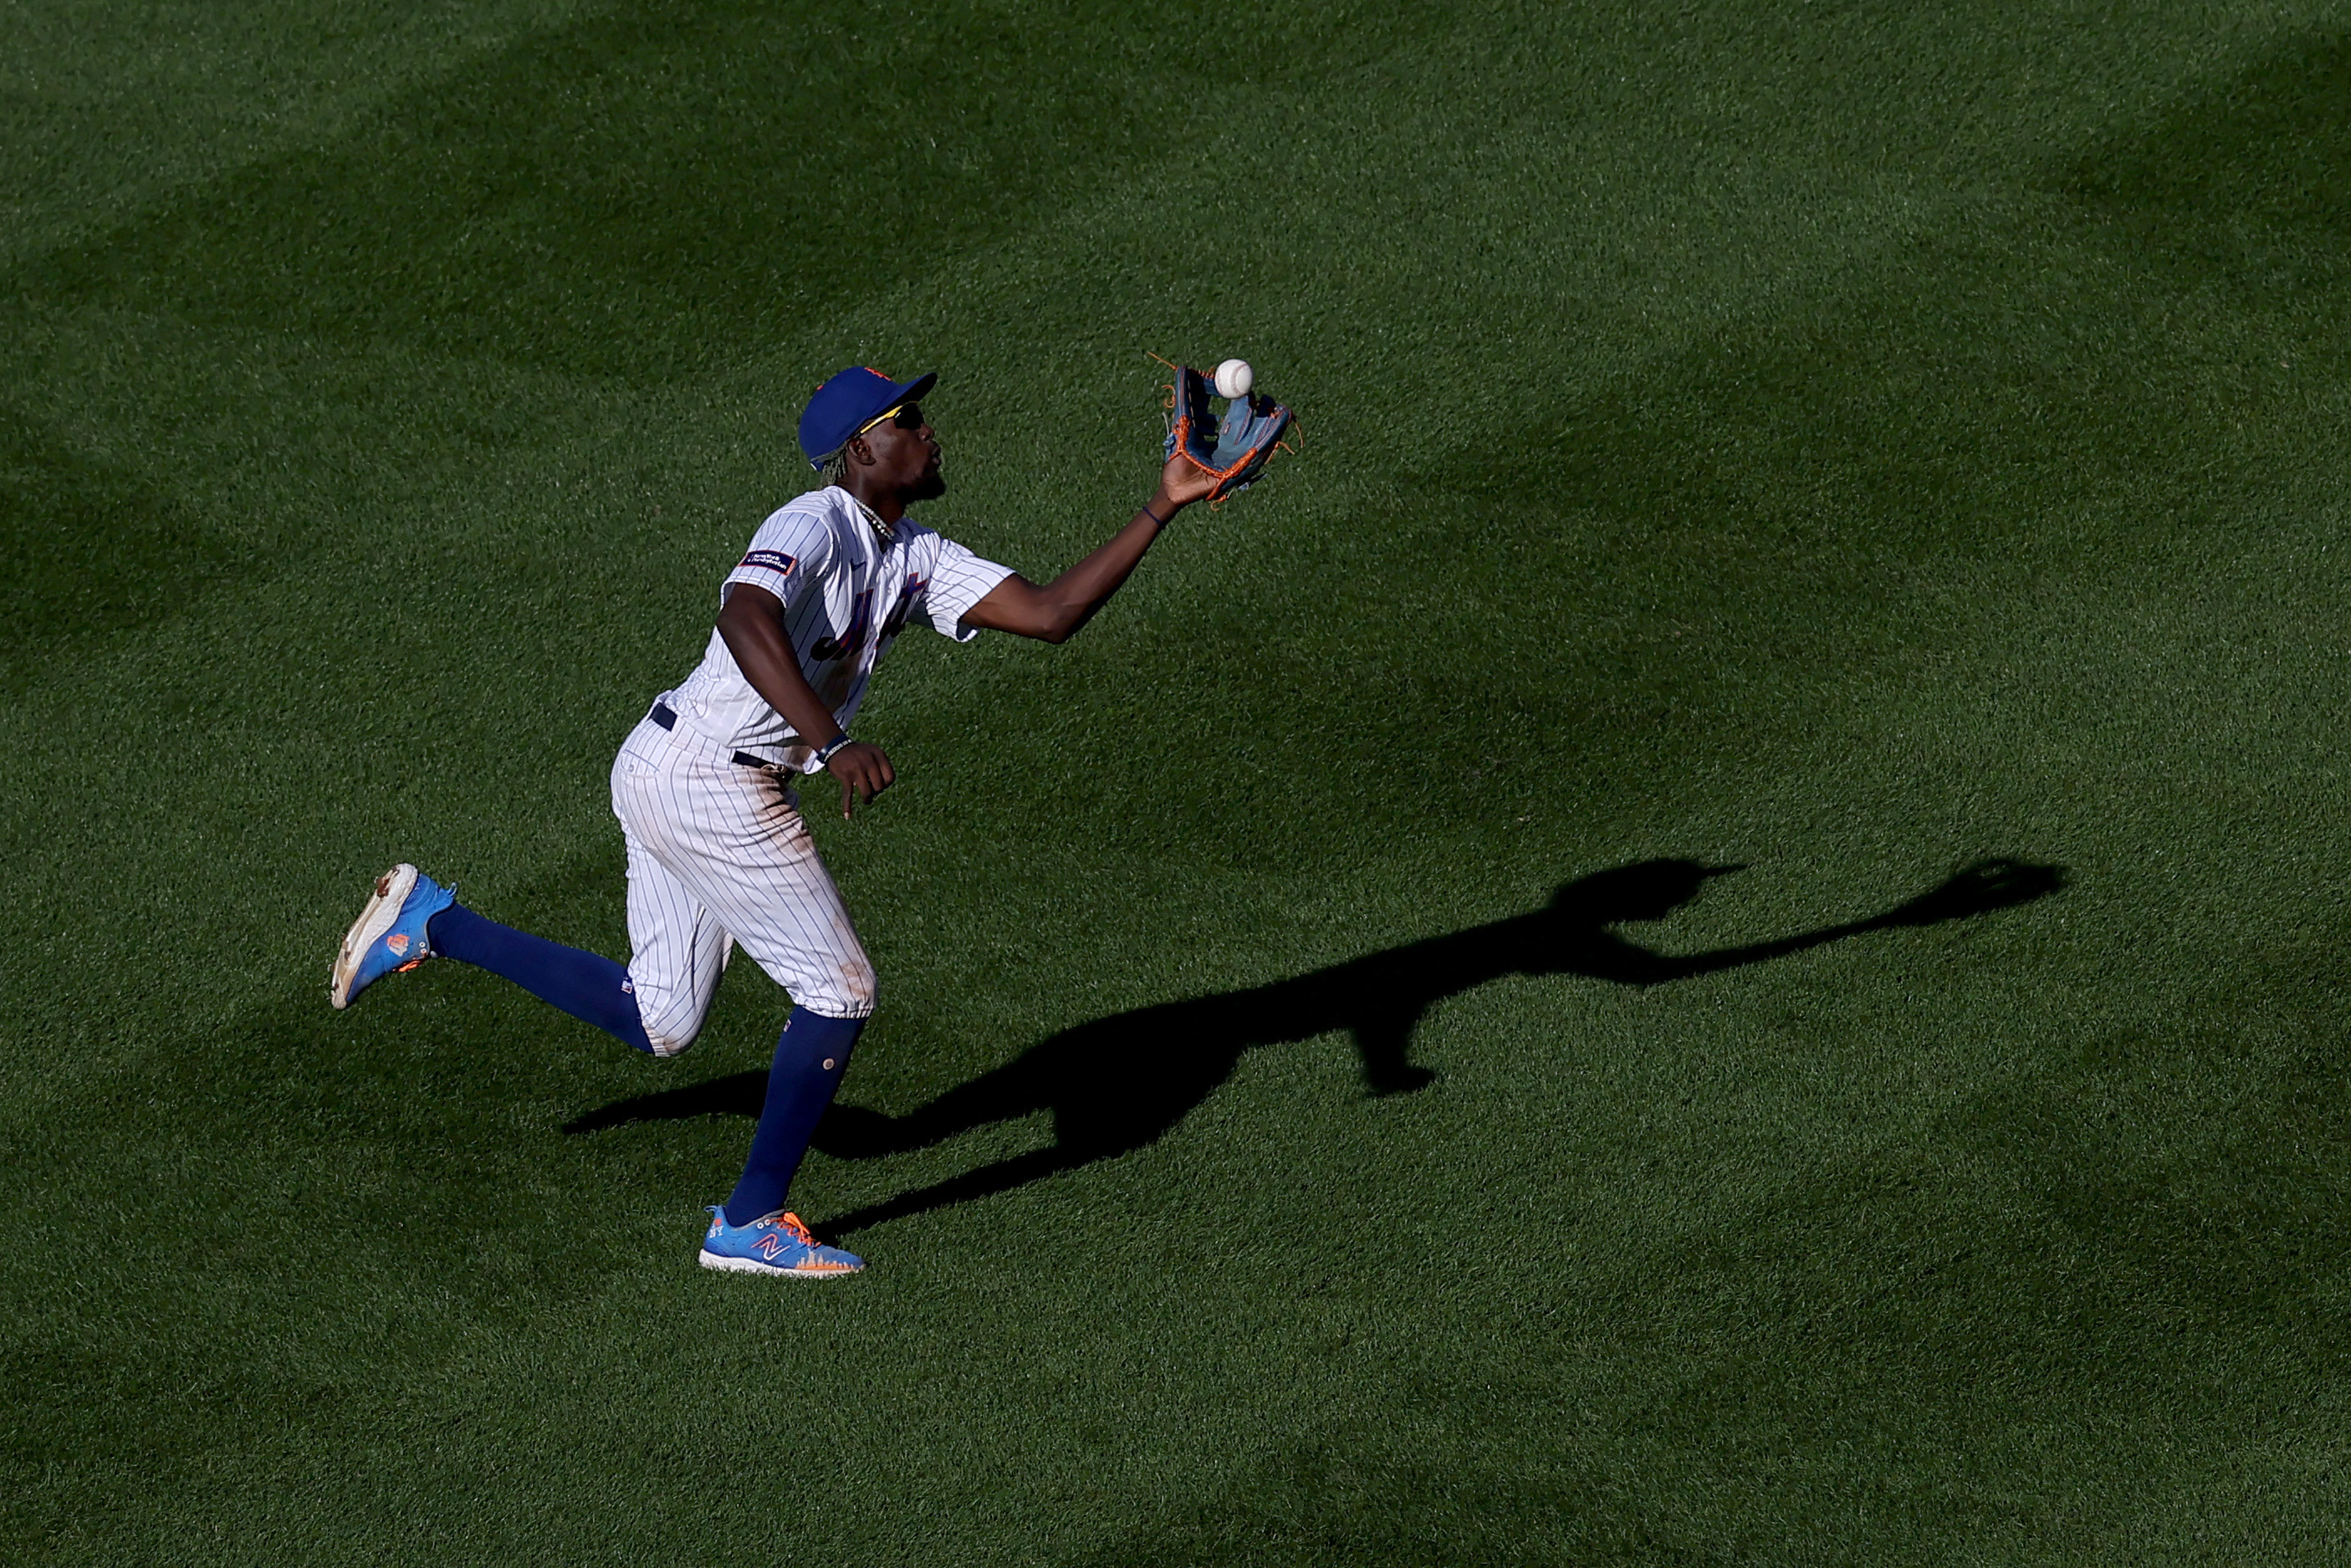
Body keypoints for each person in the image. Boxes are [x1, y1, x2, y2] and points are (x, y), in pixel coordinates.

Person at [329, 365, 1220, 1278]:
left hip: (684, 768)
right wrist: (831, 743)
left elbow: (1051, 612)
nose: (933, 432)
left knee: (663, 1020)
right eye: (911, 420)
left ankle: (432, 919)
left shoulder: (911, 552)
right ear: (864, 447)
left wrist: (1165, 504)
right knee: (840, 991)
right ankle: (750, 1221)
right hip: (706, 778)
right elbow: (744, 611)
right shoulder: (814, 522)